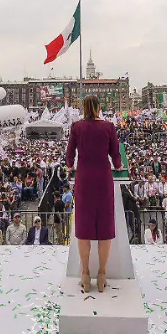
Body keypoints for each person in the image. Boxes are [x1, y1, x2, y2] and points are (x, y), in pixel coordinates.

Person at [66, 95, 123, 293]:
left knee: (84, 227)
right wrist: (119, 165)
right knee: (104, 227)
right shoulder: (109, 127)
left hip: (84, 179)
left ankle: (85, 273)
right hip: (103, 179)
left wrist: (69, 166)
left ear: (83, 108)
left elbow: (69, 153)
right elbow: (115, 154)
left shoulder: (76, 127)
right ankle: (102, 274)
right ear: (99, 108)